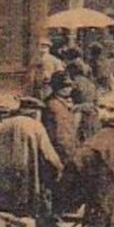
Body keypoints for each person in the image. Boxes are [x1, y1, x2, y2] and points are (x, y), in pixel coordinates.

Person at [0, 97, 63, 227]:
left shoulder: (5, 125)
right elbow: (49, 155)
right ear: (34, 112)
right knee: (42, 209)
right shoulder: (35, 126)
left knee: (10, 214)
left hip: (4, 179)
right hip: (28, 178)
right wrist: (59, 170)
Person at [42, 73, 83, 216]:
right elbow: (58, 133)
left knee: (64, 182)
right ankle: (56, 214)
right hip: (59, 150)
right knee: (57, 183)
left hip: (68, 147)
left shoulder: (61, 103)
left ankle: (62, 211)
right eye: (66, 86)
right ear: (58, 88)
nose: (69, 89)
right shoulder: (53, 106)